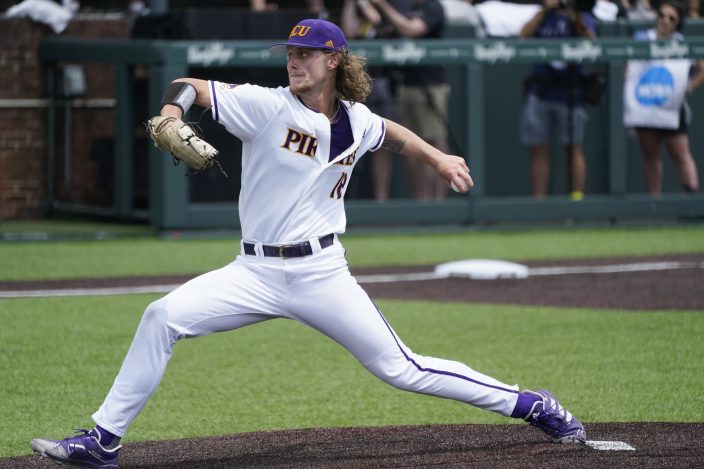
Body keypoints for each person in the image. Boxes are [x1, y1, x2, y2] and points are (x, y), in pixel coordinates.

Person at [30, 18, 586, 469]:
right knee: (161, 316)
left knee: (402, 369)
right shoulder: (266, 105)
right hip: (252, 274)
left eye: (307, 53)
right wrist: (174, 110)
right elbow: (195, 86)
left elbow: (391, 132)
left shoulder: (357, 121)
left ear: (334, 60)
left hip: (322, 274)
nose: (294, 61)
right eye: (290, 52)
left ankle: (530, 404)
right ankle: (104, 440)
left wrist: (438, 158)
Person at [367, 0, 451, 200]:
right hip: (405, 83)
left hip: (430, 83)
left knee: (434, 140)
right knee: (409, 144)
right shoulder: (408, 8)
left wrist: (383, 6)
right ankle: (421, 200)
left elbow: (412, 29)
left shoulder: (433, 7)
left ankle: (437, 204)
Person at [623, 0, 704, 195]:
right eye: (662, 16)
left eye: (671, 18)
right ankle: (654, 204)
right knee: (651, 156)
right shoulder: (642, 39)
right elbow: (627, 68)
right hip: (646, 106)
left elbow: (701, 69)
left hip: (672, 108)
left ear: (677, 23)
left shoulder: (681, 43)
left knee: (681, 153)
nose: (665, 21)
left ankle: (692, 201)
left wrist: (688, 88)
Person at [518, 0, 597, 200]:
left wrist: (574, 17)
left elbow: (593, 44)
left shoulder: (581, 16)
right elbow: (522, 37)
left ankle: (577, 198)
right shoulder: (543, 16)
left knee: (573, 148)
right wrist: (544, 10)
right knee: (538, 147)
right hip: (541, 89)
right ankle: (539, 201)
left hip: (570, 91)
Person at [341, 0, 410, 201]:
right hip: (354, 85)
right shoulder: (358, 7)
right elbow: (350, 31)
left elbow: (378, 20)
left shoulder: (392, 5)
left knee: (385, 141)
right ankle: (343, 196)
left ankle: (382, 198)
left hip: (384, 83)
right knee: (347, 139)